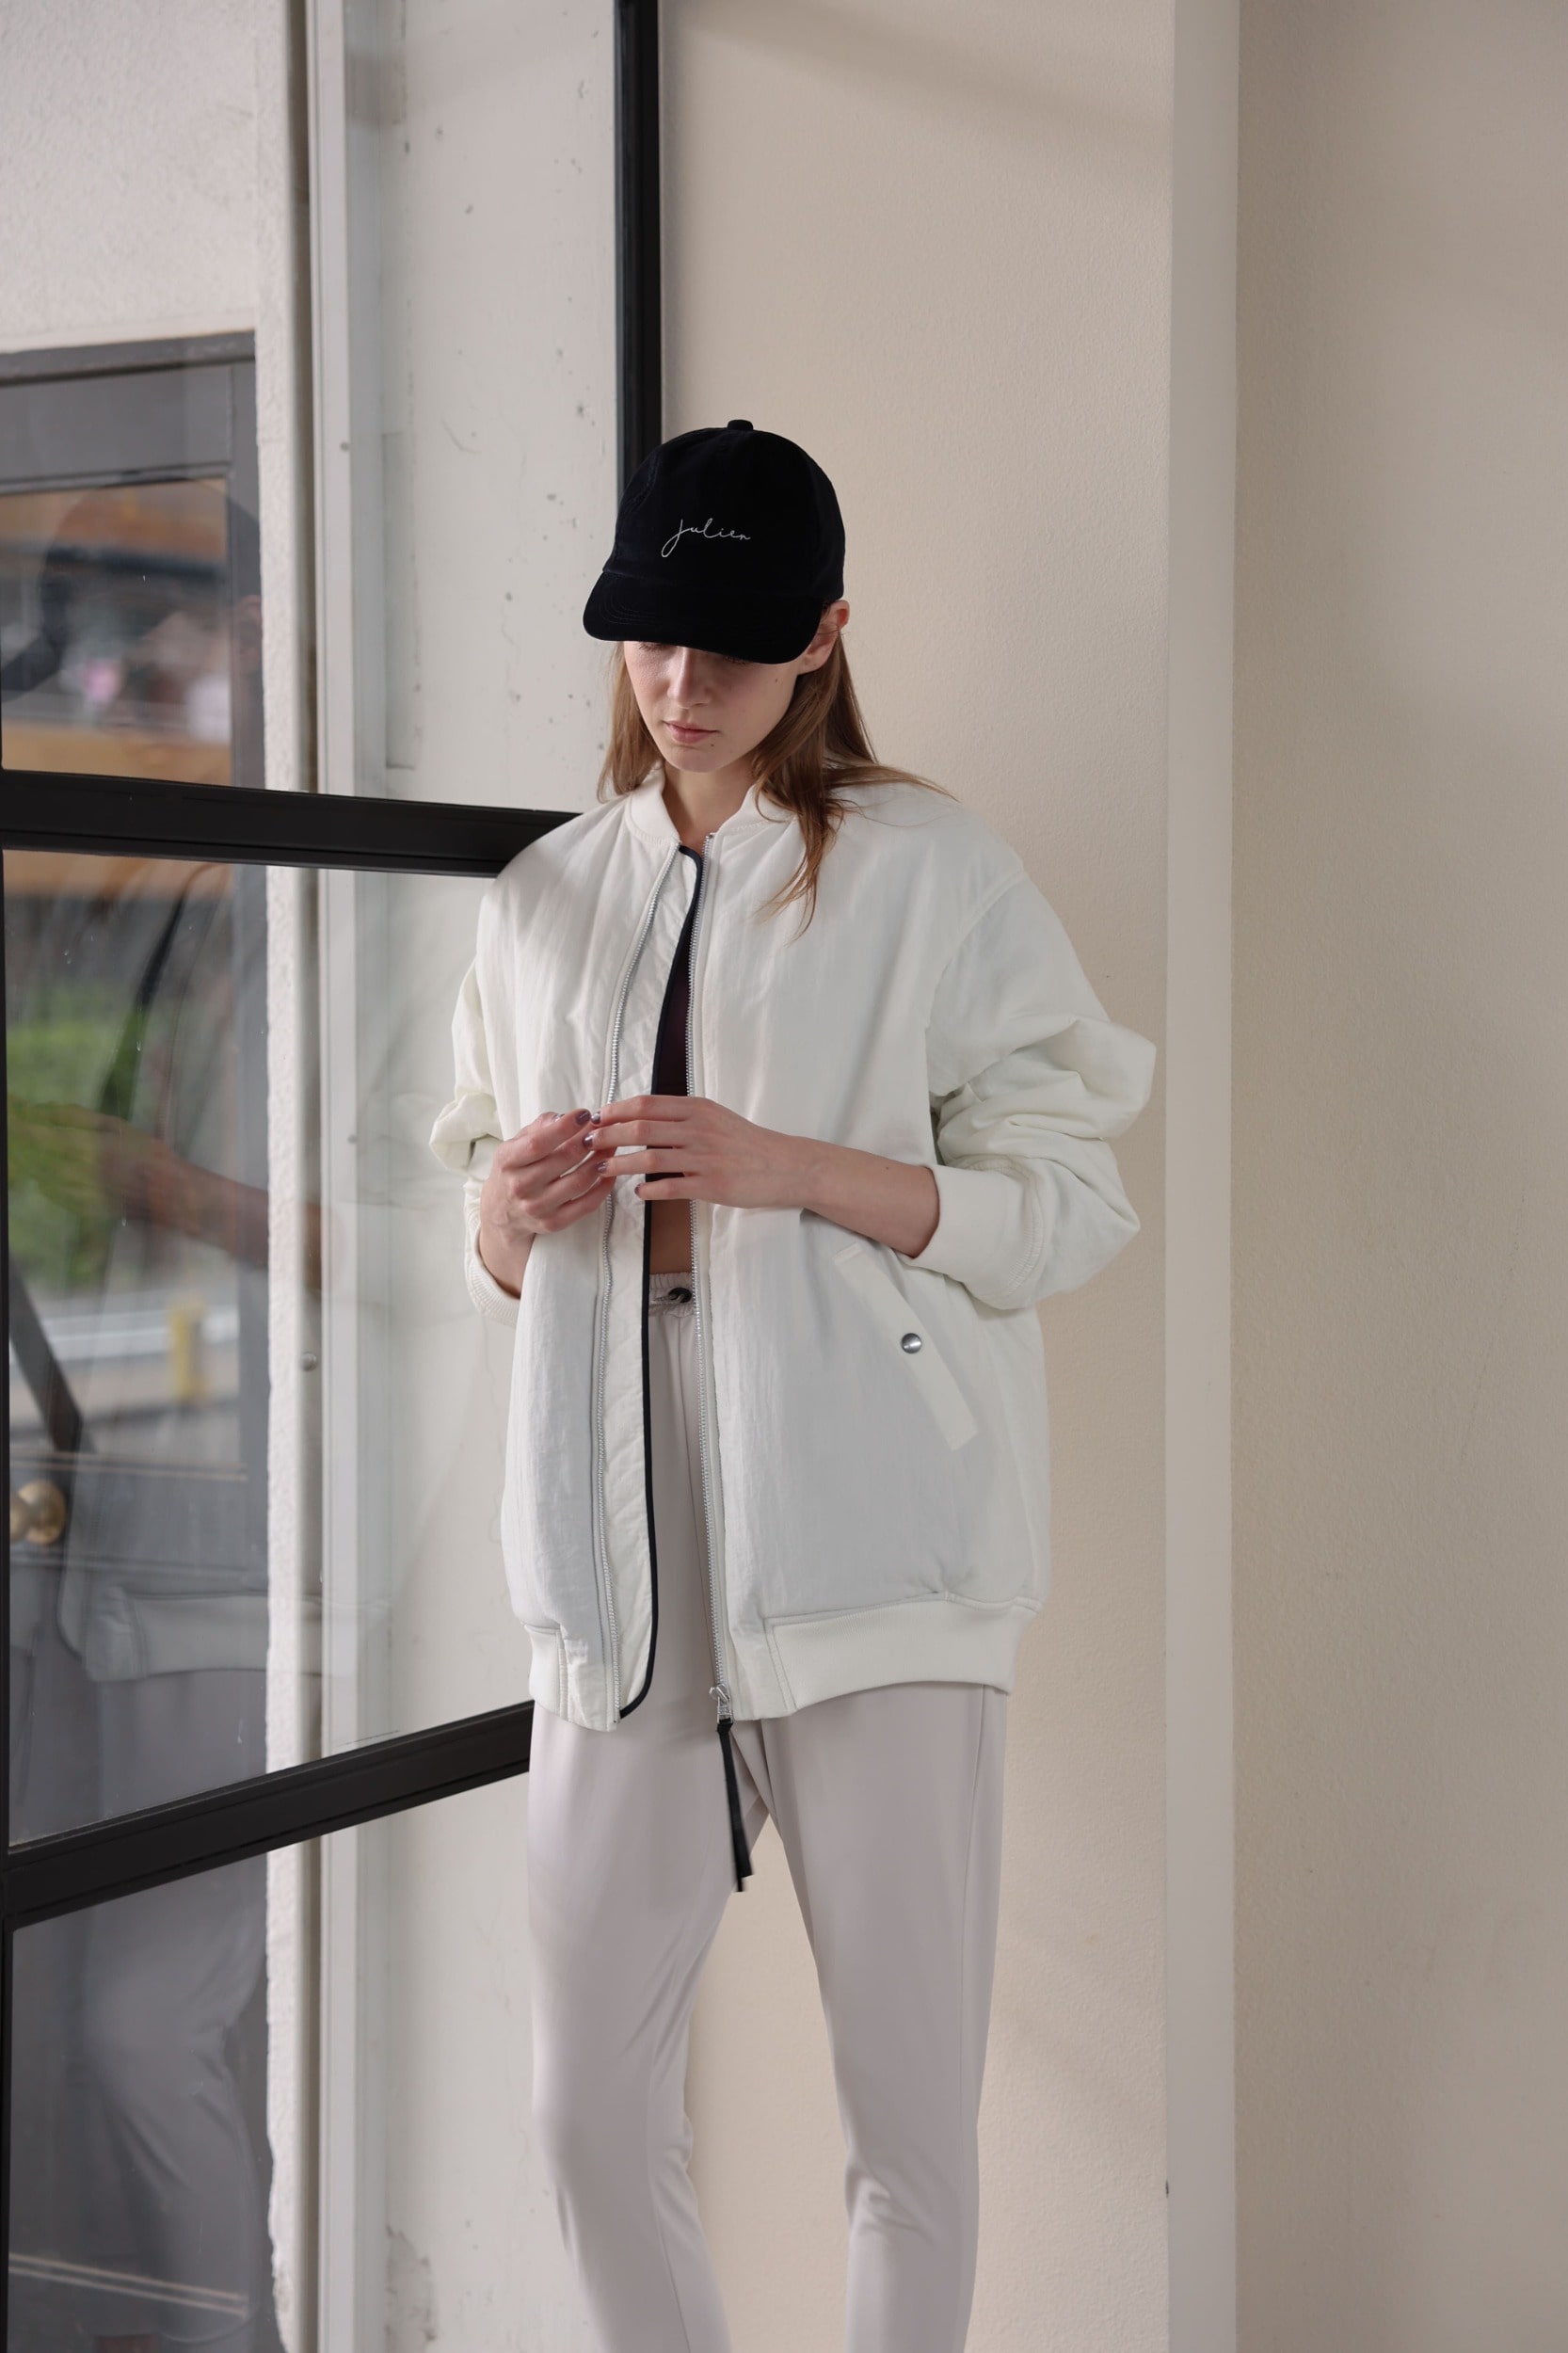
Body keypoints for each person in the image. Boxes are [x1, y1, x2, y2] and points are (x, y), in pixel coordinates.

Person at [429, 420, 1156, 2353]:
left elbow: (1070, 1202)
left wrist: (790, 1167)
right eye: (652, 636)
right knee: (584, 2110)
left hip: (875, 1530)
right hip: (611, 1538)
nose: (682, 684)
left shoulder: (933, 873)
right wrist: (501, 1217)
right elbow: (476, 1229)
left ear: (824, 634)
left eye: (734, 644)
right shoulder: (539, 896)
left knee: (904, 2128)